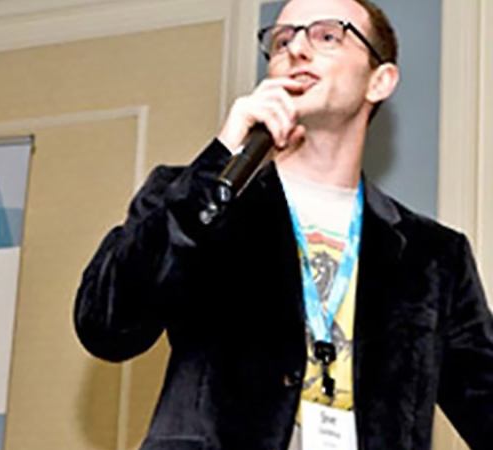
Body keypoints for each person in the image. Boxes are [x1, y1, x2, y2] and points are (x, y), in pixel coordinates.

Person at [73, 0, 493, 449]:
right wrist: (220, 159)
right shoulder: (193, 199)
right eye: (282, 40)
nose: (297, 49)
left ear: (380, 80)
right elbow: (105, 326)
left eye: (327, 35)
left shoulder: (434, 255)